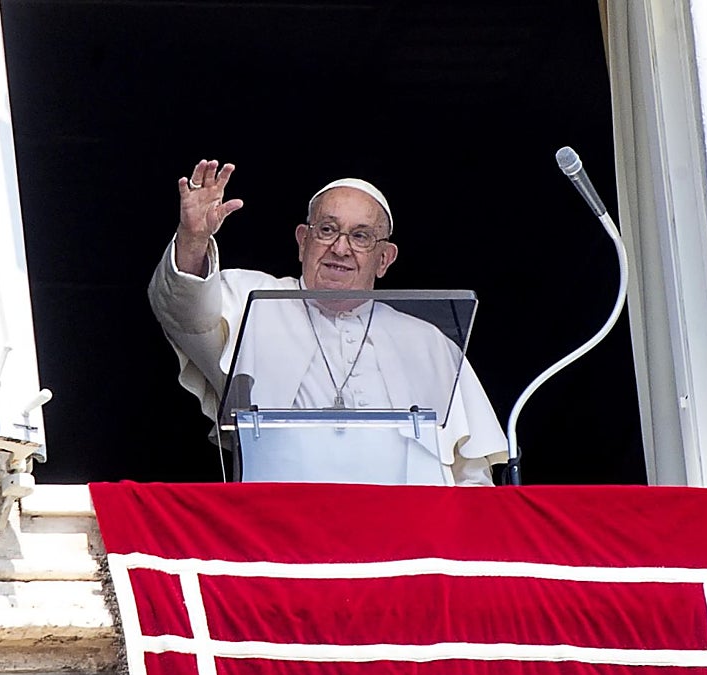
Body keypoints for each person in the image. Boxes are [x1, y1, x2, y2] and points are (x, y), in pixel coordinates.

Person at [148, 159, 507, 486]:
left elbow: (472, 475)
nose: (340, 248)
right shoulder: (250, 299)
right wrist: (194, 240)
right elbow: (186, 312)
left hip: (410, 543)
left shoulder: (428, 341)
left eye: (361, 236)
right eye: (327, 230)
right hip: (284, 531)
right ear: (303, 241)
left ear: (384, 259)